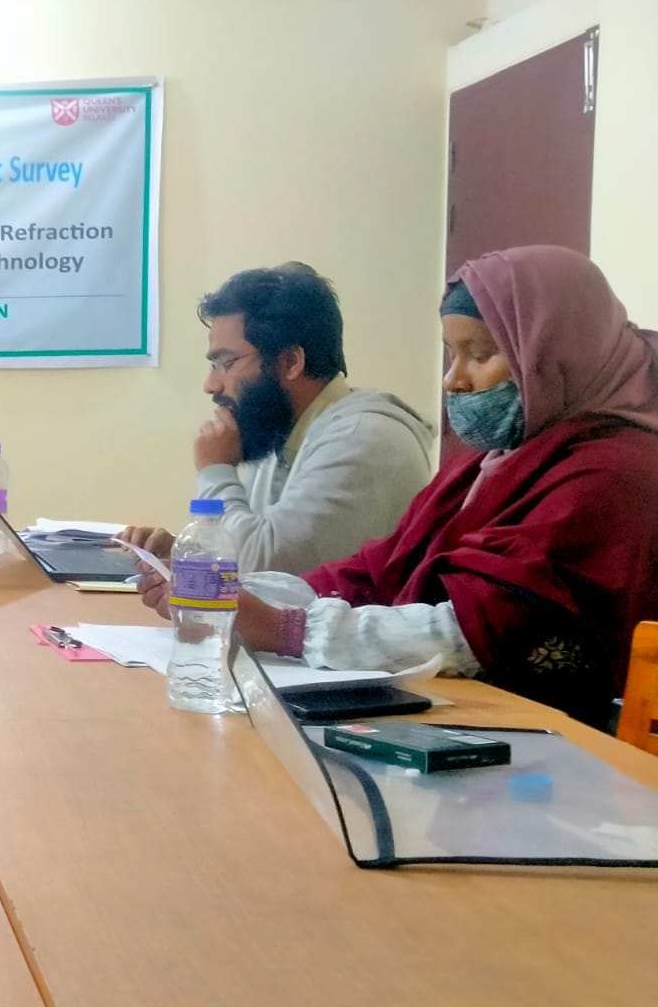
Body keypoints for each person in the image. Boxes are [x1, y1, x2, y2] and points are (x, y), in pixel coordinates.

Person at [141, 246, 658, 724]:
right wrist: (217, 591)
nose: (452, 380)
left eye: (480, 355)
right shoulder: (491, 462)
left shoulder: (611, 474)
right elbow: (377, 570)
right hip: (470, 717)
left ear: (554, 353)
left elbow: (482, 629)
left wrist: (284, 628)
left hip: (557, 744)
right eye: (451, 356)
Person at [121, 263, 433, 573]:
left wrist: (215, 471)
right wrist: (188, 555)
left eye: (226, 363)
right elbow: (263, 562)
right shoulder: (283, 430)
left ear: (290, 362)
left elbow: (263, 565)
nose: (211, 385)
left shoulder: (364, 438)